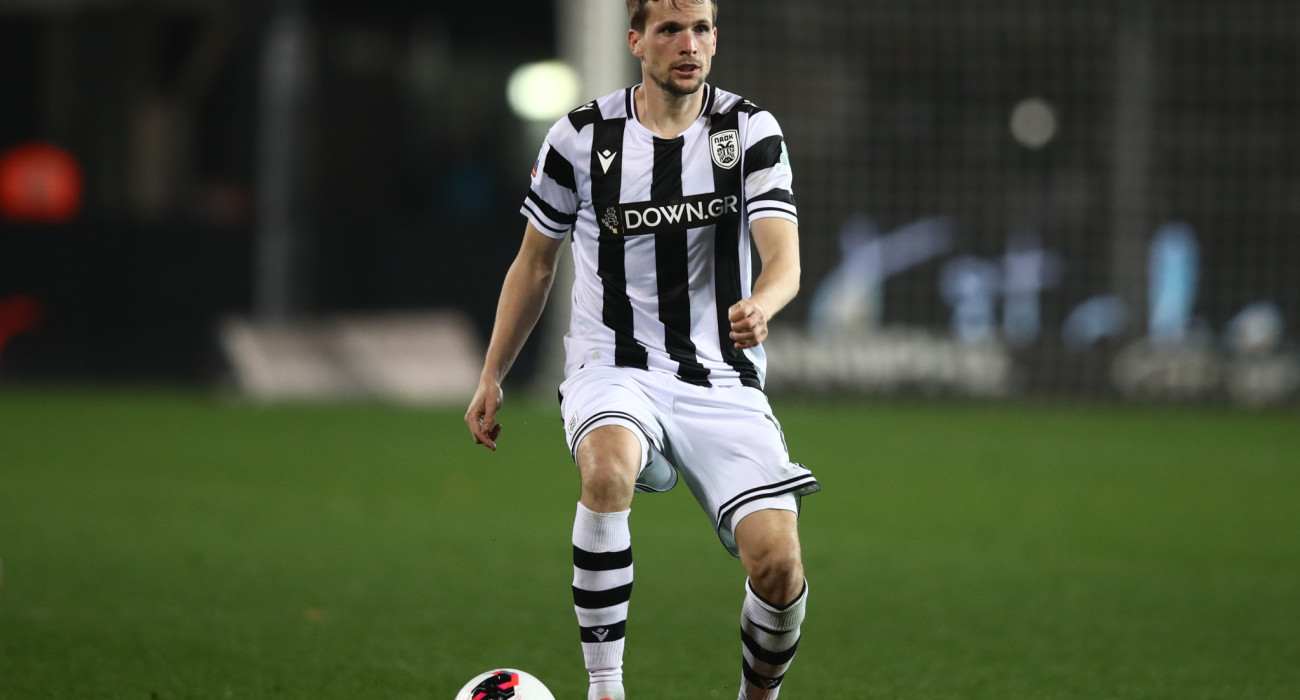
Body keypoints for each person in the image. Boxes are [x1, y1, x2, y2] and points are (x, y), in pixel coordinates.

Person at [465, 1, 817, 698]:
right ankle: (605, 689)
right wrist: (492, 374)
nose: (689, 44)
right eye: (670, 30)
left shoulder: (749, 130)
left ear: (715, 37)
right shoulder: (579, 137)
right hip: (613, 364)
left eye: (701, 29)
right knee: (606, 469)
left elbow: (784, 258)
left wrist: (762, 304)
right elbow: (535, 265)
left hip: (720, 377)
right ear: (636, 40)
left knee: (778, 567)